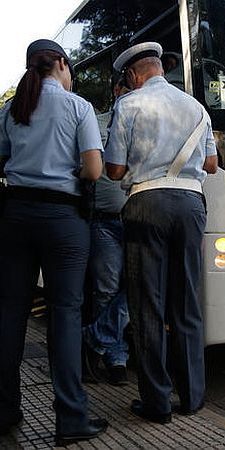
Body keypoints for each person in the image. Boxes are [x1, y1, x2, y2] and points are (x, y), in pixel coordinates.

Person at [0, 39, 108, 445]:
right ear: (61, 63)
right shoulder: (78, 107)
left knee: (10, 312)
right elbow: (94, 170)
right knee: (65, 314)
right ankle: (70, 418)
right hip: (64, 220)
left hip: (15, 216)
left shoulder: (12, 109)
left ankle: (5, 410)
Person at [105, 41, 218, 424]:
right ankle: (192, 397)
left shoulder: (128, 105)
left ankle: (157, 402)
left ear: (133, 74)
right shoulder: (197, 107)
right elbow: (212, 163)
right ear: (160, 69)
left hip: (147, 204)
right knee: (187, 301)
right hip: (191, 204)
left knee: (147, 304)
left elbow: (114, 170)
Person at [83, 77, 130, 386]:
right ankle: (116, 358)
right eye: (129, 90)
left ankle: (94, 339)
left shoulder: (144, 124)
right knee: (107, 290)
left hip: (138, 218)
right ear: (117, 91)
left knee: (139, 285)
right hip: (104, 221)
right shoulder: (95, 123)